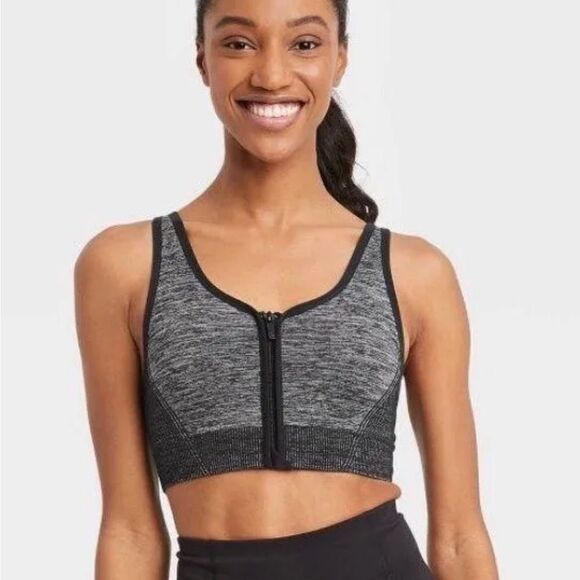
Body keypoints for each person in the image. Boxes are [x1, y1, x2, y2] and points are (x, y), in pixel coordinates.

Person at [74, 0, 499, 578]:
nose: (272, 75)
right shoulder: (124, 267)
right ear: (202, 59)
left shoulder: (414, 272)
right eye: (239, 43)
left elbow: (459, 537)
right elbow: (129, 530)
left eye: (304, 44)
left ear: (339, 58)